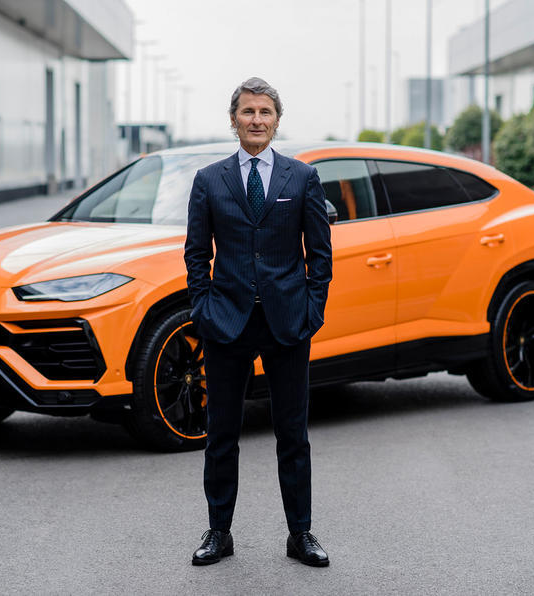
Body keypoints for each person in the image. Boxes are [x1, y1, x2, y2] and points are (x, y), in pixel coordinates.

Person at [184, 77, 333, 567]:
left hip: (286, 321)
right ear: (234, 120)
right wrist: (204, 308)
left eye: (265, 112)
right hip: (226, 321)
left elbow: (320, 255)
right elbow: (195, 254)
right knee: (221, 434)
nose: (256, 120)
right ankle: (218, 532)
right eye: (248, 112)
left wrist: (311, 311)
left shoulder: (302, 178)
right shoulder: (209, 180)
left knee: (293, 435)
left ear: (276, 120)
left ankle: (301, 534)